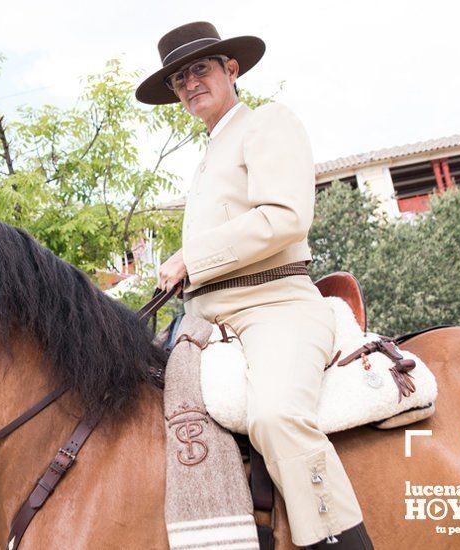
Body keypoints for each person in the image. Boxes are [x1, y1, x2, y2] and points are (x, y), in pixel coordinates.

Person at [136, 22, 374, 549]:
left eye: (200, 69)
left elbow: (285, 218)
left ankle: (337, 540)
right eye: (179, 79)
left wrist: (189, 258)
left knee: (276, 416)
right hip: (205, 322)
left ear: (231, 70)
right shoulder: (205, 160)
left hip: (273, 306)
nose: (190, 83)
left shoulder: (269, 123)